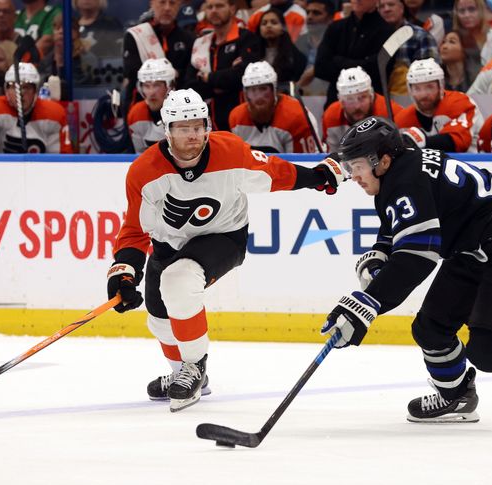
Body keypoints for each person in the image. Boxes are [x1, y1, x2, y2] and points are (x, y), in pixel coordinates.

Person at [321, 116, 492, 423]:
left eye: (358, 166)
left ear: (384, 160)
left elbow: (418, 256)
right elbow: (398, 227)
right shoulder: (397, 175)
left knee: (490, 353)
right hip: (473, 248)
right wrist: (381, 253)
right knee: (431, 328)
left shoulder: (405, 181)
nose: (353, 175)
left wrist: (367, 302)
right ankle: (456, 396)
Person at [106, 88, 344, 412]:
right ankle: (183, 375)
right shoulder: (143, 173)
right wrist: (123, 273)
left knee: (179, 280)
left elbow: (274, 172)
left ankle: (195, 366)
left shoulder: (230, 152)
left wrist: (317, 177)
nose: (193, 135)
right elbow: (134, 230)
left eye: (198, 125)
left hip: (224, 236)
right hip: (169, 244)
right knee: (159, 316)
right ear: (167, 131)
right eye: (183, 128)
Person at [0, 62, 72, 161]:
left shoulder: (53, 113)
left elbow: (62, 159)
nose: (19, 93)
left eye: (26, 87)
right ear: (5, 89)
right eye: (13, 86)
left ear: (35, 90)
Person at [185, 0, 260, 131]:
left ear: (232, 9)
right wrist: (219, 85)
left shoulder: (246, 38)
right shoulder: (200, 43)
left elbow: (241, 77)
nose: (214, 10)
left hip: (242, 123)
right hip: (207, 125)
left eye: (219, 6)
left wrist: (207, 78)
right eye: (210, 7)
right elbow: (189, 86)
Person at [314, 0, 395, 107]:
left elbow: (379, 70)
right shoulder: (335, 28)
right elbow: (320, 68)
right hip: (337, 102)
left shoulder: (388, 32)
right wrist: (362, 63)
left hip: (372, 103)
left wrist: (339, 61)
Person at [229, 60, 319, 153]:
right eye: (253, 90)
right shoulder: (237, 118)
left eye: (263, 89)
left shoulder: (296, 116)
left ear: (274, 90)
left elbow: (304, 163)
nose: (259, 96)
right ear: (246, 94)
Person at [395, 58, 484, 152]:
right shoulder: (402, 120)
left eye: (429, 87)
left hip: (474, 162)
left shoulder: (459, 103)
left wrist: (424, 142)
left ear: (440, 86)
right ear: (410, 90)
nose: (423, 94)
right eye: (417, 88)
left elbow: (457, 143)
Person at [122, 0, 194, 115]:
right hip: (141, 108)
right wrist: (173, 73)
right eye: (162, 2)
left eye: (172, 3)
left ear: (179, 5)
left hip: (178, 111)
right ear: (152, 4)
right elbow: (132, 72)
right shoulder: (135, 36)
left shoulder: (189, 39)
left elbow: (190, 76)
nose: (167, 8)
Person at [322, 66, 402, 152]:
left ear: (371, 96)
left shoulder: (392, 112)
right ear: (341, 101)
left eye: (362, 97)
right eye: (350, 99)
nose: (357, 106)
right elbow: (332, 157)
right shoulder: (331, 116)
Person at [377, 0, 440, 96]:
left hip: (415, 98)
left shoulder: (421, 35)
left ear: (402, 8)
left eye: (391, 4)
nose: (386, 9)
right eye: (381, 6)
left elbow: (431, 75)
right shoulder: (371, 37)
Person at [451, 0, 492, 84]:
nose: (467, 15)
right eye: (462, 11)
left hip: (490, 93)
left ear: (481, 10)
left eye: (472, 9)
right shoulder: (453, 39)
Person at [127, 57, 174, 153]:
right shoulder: (136, 113)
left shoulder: (183, 112)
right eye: (146, 86)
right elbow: (138, 154)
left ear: (169, 87)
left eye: (157, 85)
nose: (151, 92)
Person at [254, 7, 307, 91]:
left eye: (274, 22)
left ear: (283, 28)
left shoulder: (295, 56)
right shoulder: (252, 54)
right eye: (264, 23)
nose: (268, 26)